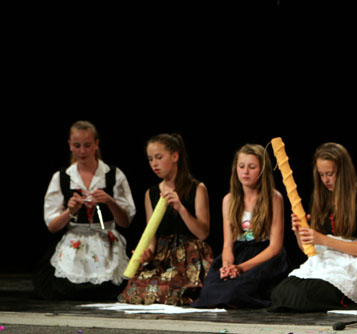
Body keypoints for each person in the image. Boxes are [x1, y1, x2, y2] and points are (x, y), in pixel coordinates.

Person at [34, 121, 136, 300]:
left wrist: (110, 201)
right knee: (65, 286)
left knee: (110, 286)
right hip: (75, 240)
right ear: (70, 145)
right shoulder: (62, 177)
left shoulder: (113, 175)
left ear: (96, 144)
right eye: (77, 145)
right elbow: (52, 226)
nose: (82, 151)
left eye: (87, 145)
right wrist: (69, 211)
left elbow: (125, 222)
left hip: (106, 239)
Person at [269, 142, 357, 312]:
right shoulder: (319, 198)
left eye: (330, 174)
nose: (325, 180)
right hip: (324, 263)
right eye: (321, 175)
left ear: (343, 172)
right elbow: (309, 250)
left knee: (305, 296)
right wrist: (299, 233)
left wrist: (323, 239)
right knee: (281, 294)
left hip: (350, 265)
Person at [118, 134, 213, 305]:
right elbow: (151, 236)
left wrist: (181, 208)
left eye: (159, 157)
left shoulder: (196, 188)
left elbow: (203, 233)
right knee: (136, 289)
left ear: (175, 156)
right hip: (163, 256)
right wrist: (147, 254)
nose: (154, 164)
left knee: (172, 289)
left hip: (188, 255)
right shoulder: (151, 193)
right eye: (150, 159)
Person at [192, 144, 288, 308]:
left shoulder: (273, 198)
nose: (245, 172)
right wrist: (228, 266)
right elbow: (227, 244)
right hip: (238, 254)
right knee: (210, 291)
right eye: (241, 166)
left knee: (237, 292)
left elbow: (275, 247)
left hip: (263, 256)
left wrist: (241, 268)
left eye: (252, 167)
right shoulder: (229, 200)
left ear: (262, 170)